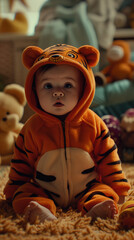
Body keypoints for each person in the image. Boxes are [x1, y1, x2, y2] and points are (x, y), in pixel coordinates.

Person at [4, 44, 130, 224]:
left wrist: (118, 188)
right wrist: (13, 190)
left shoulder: (93, 123)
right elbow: (20, 163)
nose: (57, 92)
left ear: (84, 89)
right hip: (45, 188)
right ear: (34, 90)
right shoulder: (32, 129)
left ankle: (96, 207)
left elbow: (109, 157)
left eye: (68, 85)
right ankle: (41, 210)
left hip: (87, 186)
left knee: (103, 192)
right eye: (48, 85)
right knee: (25, 195)